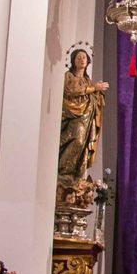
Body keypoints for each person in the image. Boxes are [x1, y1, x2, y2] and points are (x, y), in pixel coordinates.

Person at [58, 45, 109, 183]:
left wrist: (98, 92)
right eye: (79, 57)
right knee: (76, 140)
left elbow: (91, 98)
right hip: (72, 116)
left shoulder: (87, 80)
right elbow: (72, 90)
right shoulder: (68, 76)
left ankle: (75, 173)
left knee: (83, 145)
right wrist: (94, 88)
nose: (81, 60)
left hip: (86, 119)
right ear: (73, 60)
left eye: (84, 58)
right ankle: (64, 172)